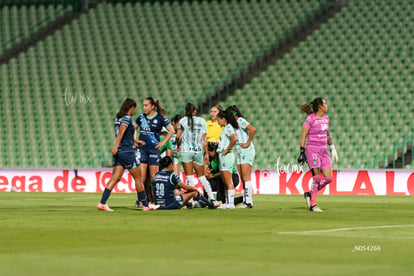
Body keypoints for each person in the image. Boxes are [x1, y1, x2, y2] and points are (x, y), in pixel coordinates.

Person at [97, 98, 159, 212]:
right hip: (127, 152)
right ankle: (145, 205)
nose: (134, 111)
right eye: (134, 109)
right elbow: (122, 131)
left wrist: (135, 142)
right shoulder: (126, 118)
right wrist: (115, 145)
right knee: (139, 178)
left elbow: (124, 135)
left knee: (115, 178)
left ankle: (102, 202)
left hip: (120, 152)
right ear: (131, 108)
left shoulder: (118, 119)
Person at [298, 97, 338, 212]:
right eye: (325, 103)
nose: (327, 105)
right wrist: (302, 151)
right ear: (320, 106)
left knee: (329, 178)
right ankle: (313, 205)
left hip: (324, 150)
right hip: (313, 150)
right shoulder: (310, 119)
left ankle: (310, 194)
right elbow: (303, 135)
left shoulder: (326, 118)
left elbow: (327, 134)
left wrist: (332, 147)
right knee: (316, 178)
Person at [175, 103, 218, 206]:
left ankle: (189, 201)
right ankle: (212, 198)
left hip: (186, 151)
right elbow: (204, 139)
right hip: (198, 151)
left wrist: (178, 144)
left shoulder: (183, 121)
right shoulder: (202, 121)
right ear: (195, 111)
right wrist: (206, 153)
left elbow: (177, 136)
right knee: (202, 177)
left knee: (189, 177)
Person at [135, 97, 175, 206]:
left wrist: (163, 142)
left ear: (152, 106)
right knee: (142, 178)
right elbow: (133, 128)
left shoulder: (160, 118)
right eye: (143, 105)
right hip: (142, 150)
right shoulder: (141, 117)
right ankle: (143, 201)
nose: (144, 107)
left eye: (146, 105)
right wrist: (135, 140)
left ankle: (156, 201)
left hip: (154, 150)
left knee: (153, 177)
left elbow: (172, 130)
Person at [152, 156, 217, 210]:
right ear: (170, 165)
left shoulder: (156, 175)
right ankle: (210, 204)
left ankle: (189, 204)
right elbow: (185, 187)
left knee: (181, 193)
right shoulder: (172, 175)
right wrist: (195, 188)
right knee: (194, 192)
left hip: (158, 205)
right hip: (169, 205)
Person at [227, 105, 256, 208]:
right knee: (243, 178)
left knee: (246, 177)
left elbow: (252, 129)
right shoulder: (233, 124)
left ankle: (248, 202)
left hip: (246, 151)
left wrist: (248, 142)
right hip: (240, 152)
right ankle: (246, 200)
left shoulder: (240, 120)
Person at [216, 109, 239, 209]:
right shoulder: (225, 128)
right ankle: (228, 202)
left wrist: (226, 149)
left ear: (223, 119)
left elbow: (234, 138)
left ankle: (231, 203)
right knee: (225, 181)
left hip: (226, 156)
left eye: (218, 119)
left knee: (228, 180)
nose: (218, 122)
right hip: (223, 156)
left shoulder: (228, 127)